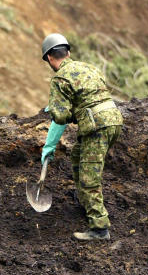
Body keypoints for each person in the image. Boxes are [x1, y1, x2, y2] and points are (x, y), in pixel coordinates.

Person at [41, 33, 123, 241]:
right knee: (78, 155)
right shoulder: (89, 67)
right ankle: (85, 201)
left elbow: (60, 117)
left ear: (50, 58)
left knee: (89, 175)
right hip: (114, 120)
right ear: (68, 52)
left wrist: (54, 110)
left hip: (96, 126)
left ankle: (99, 227)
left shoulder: (60, 78)